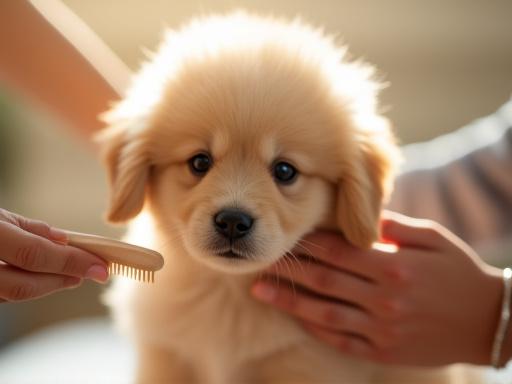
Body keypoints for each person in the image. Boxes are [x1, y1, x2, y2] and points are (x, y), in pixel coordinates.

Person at [1, 0, 511, 370]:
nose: (234, 207)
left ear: (352, 187)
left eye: (284, 171)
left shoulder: (353, 313)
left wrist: (498, 317)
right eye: (200, 162)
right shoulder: (151, 302)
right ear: (138, 167)